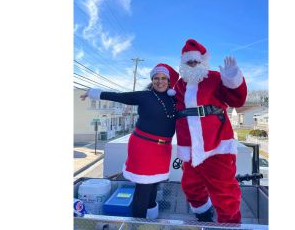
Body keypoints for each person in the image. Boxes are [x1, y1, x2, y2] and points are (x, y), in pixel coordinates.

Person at [80, 63, 179, 219]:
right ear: (152, 80)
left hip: (163, 149)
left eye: (163, 78)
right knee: (144, 186)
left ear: (168, 80)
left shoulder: (174, 99)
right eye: (156, 78)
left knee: (154, 185)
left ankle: (151, 218)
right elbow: (119, 96)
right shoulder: (144, 96)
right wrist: (93, 93)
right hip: (144, 146)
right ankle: (137, 222)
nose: (160, 81)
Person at [174, 39, 247, 223]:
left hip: (217, 146)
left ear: (203, 62)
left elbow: (237, 101)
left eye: (196, 62)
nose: (192, 65)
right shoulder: (179, 86)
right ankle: (204, 216)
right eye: (189, 62)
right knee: (190, 186)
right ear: (183, 64)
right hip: (190, 149)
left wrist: (233, 80)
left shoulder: (214, 78)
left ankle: (229, 225)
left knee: (224, 193)